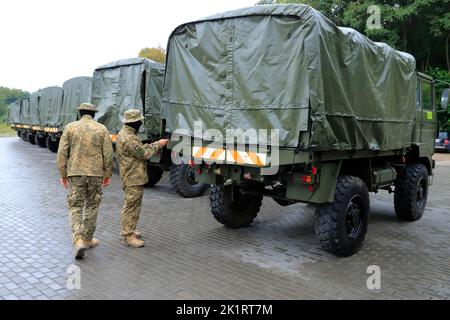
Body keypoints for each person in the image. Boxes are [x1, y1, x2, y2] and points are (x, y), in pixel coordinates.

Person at [57, 103, 113, 259]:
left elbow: (62, 152)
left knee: (75, 206)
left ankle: (79, 240)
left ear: (80, 113)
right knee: (92, 205)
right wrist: (107, 174)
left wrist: (63, 173)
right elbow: (108, 154)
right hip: (95, 174)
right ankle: (87, 238)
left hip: (75, 173)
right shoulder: (101, 129)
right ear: (93, 114)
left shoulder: (70, 127)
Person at [116, 109, 169, 248]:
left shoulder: (125, 134)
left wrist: (150, 145)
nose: (140, 123)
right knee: (131, 205)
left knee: (132, 204)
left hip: (130, 175)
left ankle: (129, 229)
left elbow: (139, 150)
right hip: (133, 177)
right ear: (134, 122)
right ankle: (128, 236)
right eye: (139, 121)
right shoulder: (129, 138)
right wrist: (159, 144)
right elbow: (145, 154)